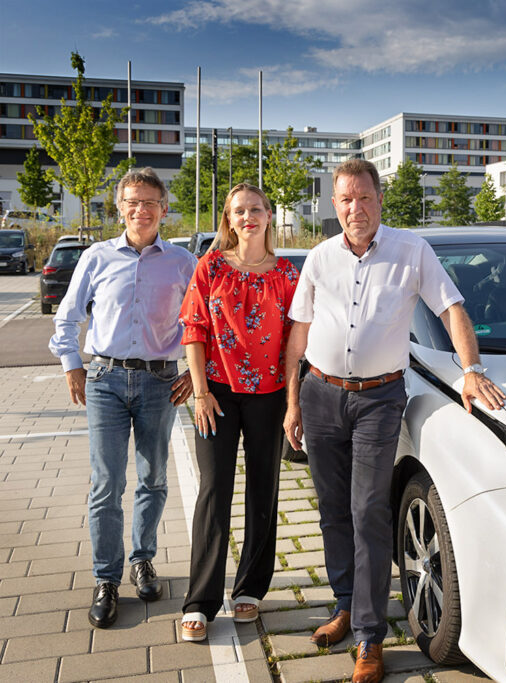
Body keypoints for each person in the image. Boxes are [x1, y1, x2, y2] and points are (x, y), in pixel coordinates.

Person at [283, 159, 506, 683]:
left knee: (368, 511)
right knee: (333, 510)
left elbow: (450, 309)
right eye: (345, 200)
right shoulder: (319, 258)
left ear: (379, 201)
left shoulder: (412, 252)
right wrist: (292, 401)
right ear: (333, 204)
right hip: (320, 394)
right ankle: (344, 605)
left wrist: (471, 370)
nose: (355, 208)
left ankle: (368, 635)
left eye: (364, 198)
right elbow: (298, 332)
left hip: (378, 400)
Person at [49, 168, 196, 628]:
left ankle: (142, 561)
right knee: (106, 484)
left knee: (153, 479)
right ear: (120, 207)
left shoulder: (181, 262)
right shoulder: (96, 257)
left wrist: (196, 371)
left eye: (150, 201)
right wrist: (72, 363)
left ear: (164, 208)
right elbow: (67, 315)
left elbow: (203, 323)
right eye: (133, 201)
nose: (142, 209)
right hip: (106, 380)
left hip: (160, 382)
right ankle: (107, 579)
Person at [178, 183, 300, 642]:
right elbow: (194, 329)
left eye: (255, 209)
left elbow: (295, 343)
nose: (247, 217)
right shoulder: (210, 267)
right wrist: (201, 393)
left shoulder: (288, 274)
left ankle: (250, 587)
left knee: (263, 489)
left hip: (270, 394)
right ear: (227, 220)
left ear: (270, 216)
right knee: (214, 491)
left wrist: (293, 399)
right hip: (219, 394)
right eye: (238, 212)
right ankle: (201, 601)